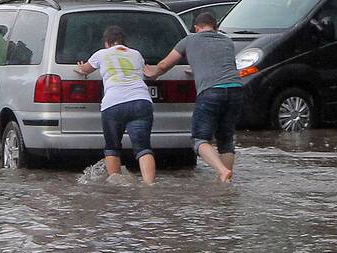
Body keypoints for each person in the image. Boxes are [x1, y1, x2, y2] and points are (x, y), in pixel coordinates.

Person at [145, 11, 242, 182]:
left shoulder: (190, 40)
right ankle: (226, 181)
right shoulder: (227, 41)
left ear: (196, 28)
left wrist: (153, 74)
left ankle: (221, 171)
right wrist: (197, 68)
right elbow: (221, 64)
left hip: (211, 91)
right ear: (216, 27)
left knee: (200, 139)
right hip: (235, 89)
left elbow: (164, 64)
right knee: (226, 141)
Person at [76, 25, 157, 184]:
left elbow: (85, 70)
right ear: (124, 42)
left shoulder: (101, 54)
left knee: (112, 148)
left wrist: (80, 67)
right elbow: (146, 72)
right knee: (143, 148)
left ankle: (115, 188)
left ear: (107, 42)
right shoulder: (136, 54)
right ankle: (149, 186)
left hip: (113, 104)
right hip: (141, 101)